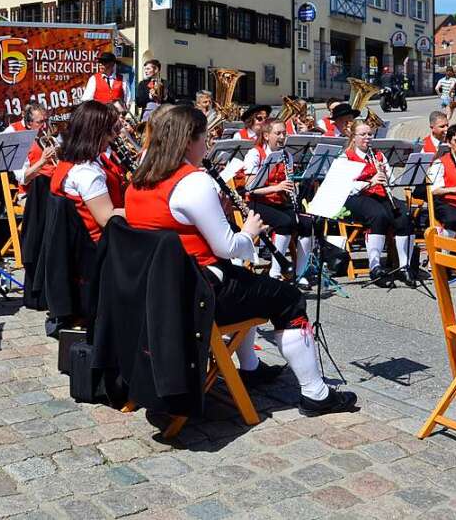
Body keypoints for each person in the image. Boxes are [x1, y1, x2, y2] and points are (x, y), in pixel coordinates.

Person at [125, 106, 357, 413]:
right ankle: (315, 393)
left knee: (250, 282)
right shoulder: (193, 183)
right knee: (288, 298)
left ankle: (249, 366)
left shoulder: (136, 183)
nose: (206, 146)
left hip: (158, 295)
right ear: (187, 142)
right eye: (203, 139)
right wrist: (250, 232)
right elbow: (228, 247)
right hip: (198, 297)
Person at [341, 120, 416, 284]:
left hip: (380, 195)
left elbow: (392, 181)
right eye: (363, 134)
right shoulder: (346, 156)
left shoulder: (378, 155)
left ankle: (404, 267)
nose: (367, 138)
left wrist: (385, 174)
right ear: (353, 137)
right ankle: (375, 268)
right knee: (378, 215)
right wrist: (370, 182)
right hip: (355, 198)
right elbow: (346, 186)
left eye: (369, 134)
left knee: (405, 215)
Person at [243, 118, 314, 283]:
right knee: (285, 222)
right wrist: (276, 187)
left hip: (279, 202)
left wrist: (292, 188)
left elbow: (287, 184)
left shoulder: (287, 155)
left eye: (284, 133)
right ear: (267, 135)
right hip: (257, 202)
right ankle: (275, 272)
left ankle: (300, 273)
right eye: (278, 133)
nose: (282, 137)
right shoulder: (255, 153)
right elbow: (249, 187)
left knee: (307, 224)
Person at [49, 101, 126, 242]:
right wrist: (143, 211)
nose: (114, 136)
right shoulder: (86, 173)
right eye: (110, 131)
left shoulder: (70, 161)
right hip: (98, 248)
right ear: (95, 134)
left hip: (83, 243)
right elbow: (107, 218)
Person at [4, 102, 57, 195]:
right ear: (29, 123)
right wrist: (42, 161)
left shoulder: (44, 133)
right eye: (39, 122)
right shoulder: (15, 134)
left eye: (45, 120)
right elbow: (23, 179)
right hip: (34, 193)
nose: (44, 126)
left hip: (54, 185)